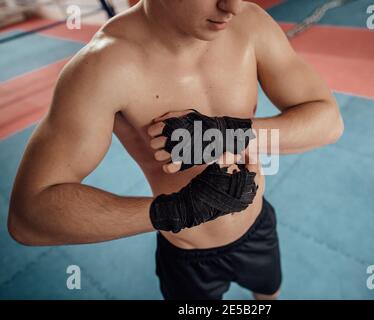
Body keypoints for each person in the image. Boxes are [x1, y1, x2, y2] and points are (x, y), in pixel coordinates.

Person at [8, 0, 344, 300]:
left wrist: (229, 134)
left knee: (268, 293)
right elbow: (28, 218)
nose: (233, 6)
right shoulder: (102, 68)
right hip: (187, 251)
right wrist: (179, 210)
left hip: (257, 225)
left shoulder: (251, 25)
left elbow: (329, 123)